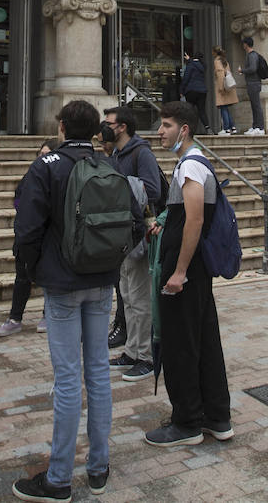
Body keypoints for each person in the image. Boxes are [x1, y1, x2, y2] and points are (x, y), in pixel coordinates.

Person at [11, 101, 141, 502]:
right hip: (102, 282)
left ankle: (59, 478)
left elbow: (27, 227)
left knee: (67, 380)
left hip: (62, 283)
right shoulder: (111, 164)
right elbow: (135, 220)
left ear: (62, 126)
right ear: (98, 130)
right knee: (98, 373)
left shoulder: (47, 165)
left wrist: (32, 270)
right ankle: (98, 467)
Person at [146, 100, 232, 448]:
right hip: (196, 270)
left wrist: (179, 271)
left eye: (165, 125)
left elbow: (194, 219)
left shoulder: (191, 167)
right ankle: (216, 416)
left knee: (181, 344)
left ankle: (187, 423)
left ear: (184, 129)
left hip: (186, 270)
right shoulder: (193, 164)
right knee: (205, 340)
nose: (159, 131)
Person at [103, 105, 163, 383]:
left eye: (109, 123)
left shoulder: (142, 152)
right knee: (127, 294)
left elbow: (152, 190)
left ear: (122, 126)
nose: (105, 127)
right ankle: (131, 350)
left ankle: (147, 357)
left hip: (139, 233)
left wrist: (117, 188)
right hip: (122, 234)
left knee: (140, 298)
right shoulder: (115, 153)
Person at [0, 139, 59, 337]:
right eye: (40, 153)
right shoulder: (31, 175)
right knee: (22, 277)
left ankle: (47, 315)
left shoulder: (57, 177)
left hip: (47, 237)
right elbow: (18, 197)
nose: (42, 158)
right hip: (27, 236)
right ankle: (15, 318)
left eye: (46, 154)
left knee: (49, 279)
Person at [238, 35, 266, 135]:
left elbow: (253, 68)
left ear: (246, 44)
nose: (243, 45)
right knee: (254, 105)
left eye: (243, 43)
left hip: (253, 83)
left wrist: (243, 70)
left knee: (256, 105)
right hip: (253, 83)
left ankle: (260, 127)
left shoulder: (252, 55)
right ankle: (255, 126)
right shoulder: (251, 55)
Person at [179, 51, 211, 134]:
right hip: (202, 91)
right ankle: (208, 128)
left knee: (190, 110)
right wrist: (190, 60)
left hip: (191, 90)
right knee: (201, 110)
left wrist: (181, 90)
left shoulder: (191, 65)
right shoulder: (202, 66)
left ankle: (190, 130)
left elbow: (186, 78)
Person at [212, 47, 239, 135]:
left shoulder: (217, 61)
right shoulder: (225, 61)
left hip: (222, 87)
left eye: (212, 52)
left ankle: (226, 128)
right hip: (228, 86)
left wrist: (220, 88)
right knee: (225, 108)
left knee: (223, 107)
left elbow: (220, 74)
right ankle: (232, 127)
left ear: (215, 53)